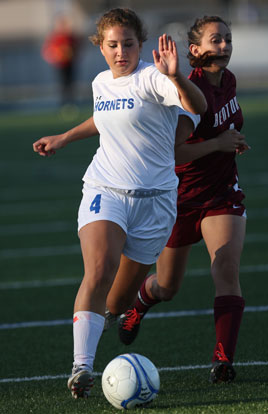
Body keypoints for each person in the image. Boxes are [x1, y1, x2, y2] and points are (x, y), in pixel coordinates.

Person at [33, 8, 207, 399]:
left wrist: (176, 75)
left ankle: (120, 312)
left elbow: (197, 108)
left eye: (128, 43)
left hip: (156, 202)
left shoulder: (152, 77)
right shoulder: (100, 83)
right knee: (98, 270)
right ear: (100, 47)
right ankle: (82, 367)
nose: (120, 52)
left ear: (140, 44)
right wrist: (64, 136)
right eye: (112, 45)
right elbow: (103, 117)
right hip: (105, 190)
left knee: (117, 300)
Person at [110, 15, 250, 384]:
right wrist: (218, 144)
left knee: (226, 267)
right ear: (195, 50)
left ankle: (223, 361)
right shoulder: (190, 90)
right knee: (167, 287)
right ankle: (140, 304)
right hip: (181, 197)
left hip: (222, 193)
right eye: (216, 40)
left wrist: (232, 142)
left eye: (228, 39)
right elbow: (174, 153)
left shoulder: (230, 80)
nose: (224, 46)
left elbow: (225, 127)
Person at [41, 14, 79, 106]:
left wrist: (72, 53)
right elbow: (47, 52)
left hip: (70, 64)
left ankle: (71, 102)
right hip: (60, 65)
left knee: (70, 84)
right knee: (62, 85)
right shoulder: (54, 37)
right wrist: (56, 56)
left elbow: (77, 49)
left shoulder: (70, 36)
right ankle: (63, 103)